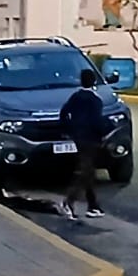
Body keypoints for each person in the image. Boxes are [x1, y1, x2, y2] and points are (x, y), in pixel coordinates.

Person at [57, 68, 107, 220]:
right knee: (85, 171)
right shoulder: (96, 100)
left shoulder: (75, 97)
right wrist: (103, 133)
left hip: (78, 137)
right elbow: (97, 121)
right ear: (93, 81)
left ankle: (93, 206)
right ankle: (68, 201)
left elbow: (64, 113)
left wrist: (68, 129)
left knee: (88, 171)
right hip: (91, 138)